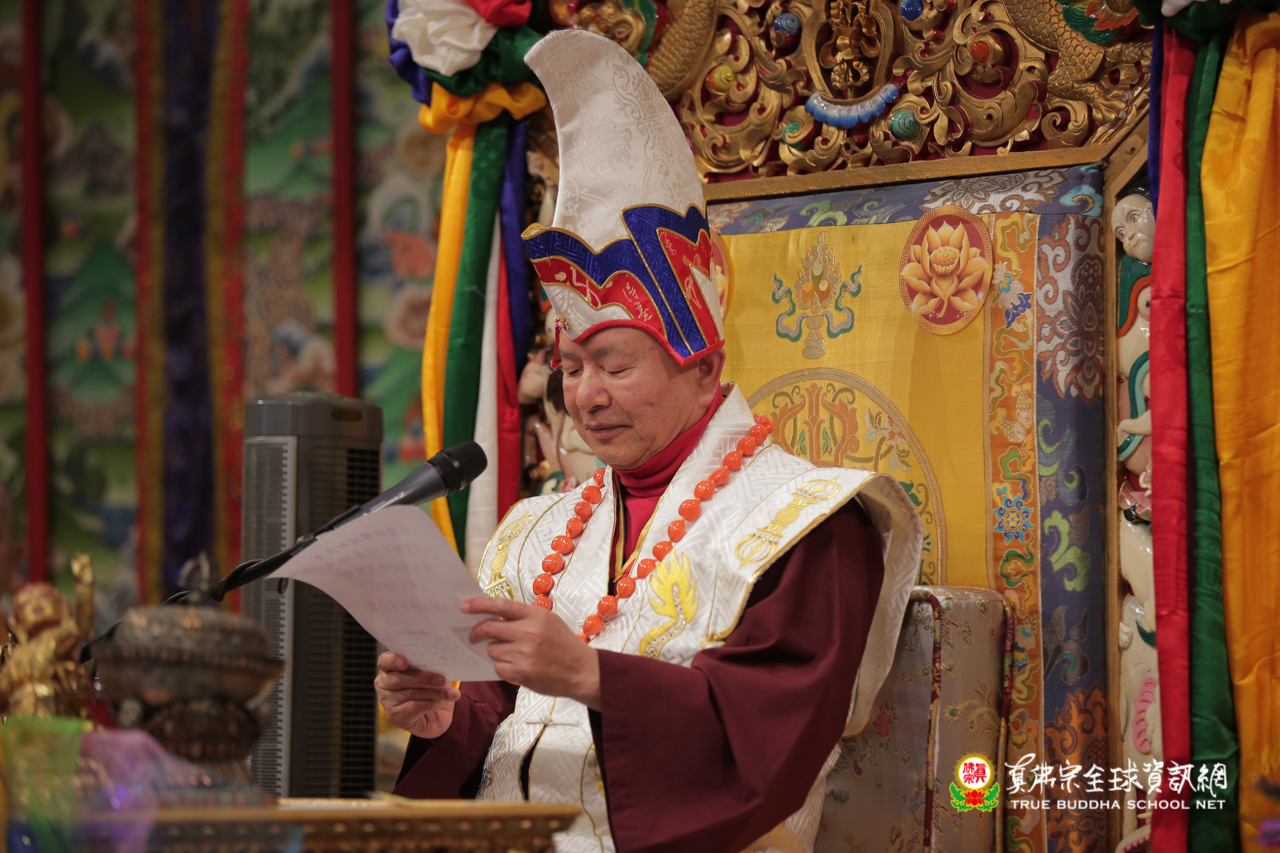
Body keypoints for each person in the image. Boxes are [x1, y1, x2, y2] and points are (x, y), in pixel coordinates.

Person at [375, 30, 922, 853]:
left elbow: (767, 748)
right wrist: (444, 718)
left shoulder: (804, 524)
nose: (585, 396)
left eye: (615, 364)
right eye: (571, 366)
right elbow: (503, 720)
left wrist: (588, 673)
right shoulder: (537, 530)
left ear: (703, 365)